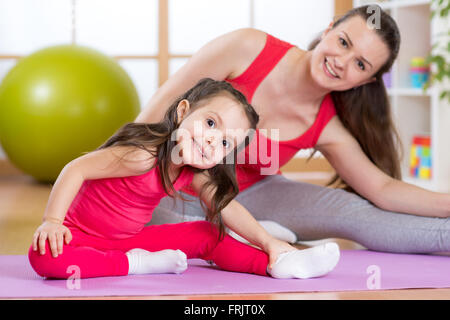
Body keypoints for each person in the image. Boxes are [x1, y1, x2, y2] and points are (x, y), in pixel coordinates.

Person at [139, 6, 450, 253]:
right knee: (174, 229)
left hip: (255, 193)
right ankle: (250, 234)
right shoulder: (247, 47)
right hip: (177, 184)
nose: (341, 62)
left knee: (355, 210)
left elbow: (382, 189)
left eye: (360, 65)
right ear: (329, 30)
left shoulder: (328, 126)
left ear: (366, 81)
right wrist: (113, 171)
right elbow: (161, 106)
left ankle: (250, 232)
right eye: (343, 42)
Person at [28, 78, 340, 280]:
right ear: (181, 112)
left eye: (224, 143)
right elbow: (76, 168)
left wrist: (269, 243)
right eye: (209, 123)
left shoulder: (194, 170)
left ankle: (281, 265)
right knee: (44, 259)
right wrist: (52, 221)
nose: (210, 142)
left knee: (206, 233)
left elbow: (227, 207)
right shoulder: (143, 155)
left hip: (125, 241)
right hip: (78, 237)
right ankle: (136, 265)